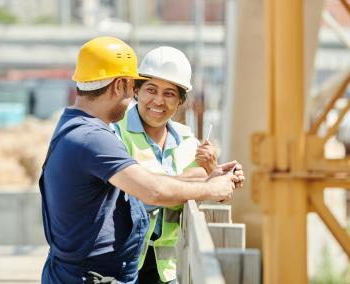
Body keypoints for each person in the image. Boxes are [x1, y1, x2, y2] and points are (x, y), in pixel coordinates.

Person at [40, 36, 243, 284]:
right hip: (88, 276)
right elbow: (152, 190)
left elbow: (148, 183)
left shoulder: (80, 128)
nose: (133, 100)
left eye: (169, 93)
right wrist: (210, 188)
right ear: (120, 86)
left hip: (98, 273)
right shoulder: (94, 137)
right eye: (136, 88)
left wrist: (210, 176)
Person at [114, 47, 244, 284]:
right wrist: (197, 179)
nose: (158, 101)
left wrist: (217, 174)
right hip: (121, 263)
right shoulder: (116, 132)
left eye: (170, 93)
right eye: (151, 90)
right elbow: (141, 190)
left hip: (168, 269)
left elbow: (201, 190)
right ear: (136, 91)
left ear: (181, 100)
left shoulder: (187, 140)